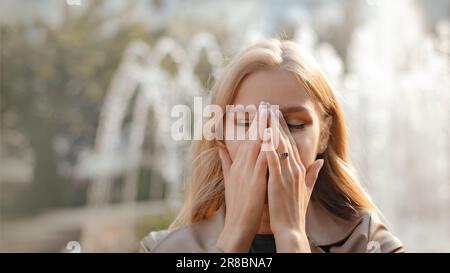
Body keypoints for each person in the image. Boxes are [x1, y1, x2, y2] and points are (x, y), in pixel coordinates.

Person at [140, 39, 404, 253]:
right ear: (220, 133)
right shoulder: (163, 248)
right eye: (246, 123)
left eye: (294, 124)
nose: (270, 143)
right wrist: (233, 239)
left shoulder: (367, 241)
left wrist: (292, 238)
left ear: (324, 134)